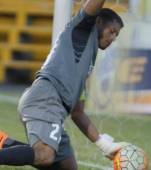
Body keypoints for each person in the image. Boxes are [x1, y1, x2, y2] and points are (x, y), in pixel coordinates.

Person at [0, 0, 128, 169]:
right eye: (111, 31)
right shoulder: (82, 32)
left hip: (54, 108)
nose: (112, 38)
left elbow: (77, 112)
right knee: (45, 155)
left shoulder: (86, 61)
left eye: (116, 35)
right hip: (46, 99)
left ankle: (4, 142)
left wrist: (104, 144)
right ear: (97, 22)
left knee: (66, 167)